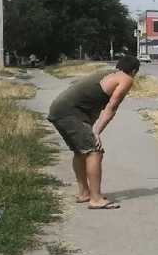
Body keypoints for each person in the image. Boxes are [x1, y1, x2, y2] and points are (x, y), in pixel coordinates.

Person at [47, 56, 139, 210]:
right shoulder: (126, 79)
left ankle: (84, 193)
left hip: (59, 109)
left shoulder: (107, 73)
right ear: (134, 71)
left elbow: (92, 104)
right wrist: (96, 132)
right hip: (69, 112)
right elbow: (112, 107)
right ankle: (96, 199)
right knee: (94, 151)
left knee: (80, 151)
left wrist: (91, 129)